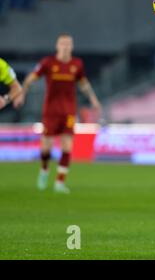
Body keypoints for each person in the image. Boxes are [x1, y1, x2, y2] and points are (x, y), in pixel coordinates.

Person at [16, 34, 101, 193]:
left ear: (72, 46)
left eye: (68, 44)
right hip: (50, 111)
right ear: (57, 46)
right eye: (63, 44)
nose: (65, 46)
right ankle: (44, 171)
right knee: (46, 148)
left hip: (68, 111)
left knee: (67, 146)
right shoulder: (48, 63)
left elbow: (83, 84)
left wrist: (93, 99)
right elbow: (31, 78)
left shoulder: (77, 64)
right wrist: (22, 93)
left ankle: (59, 183)